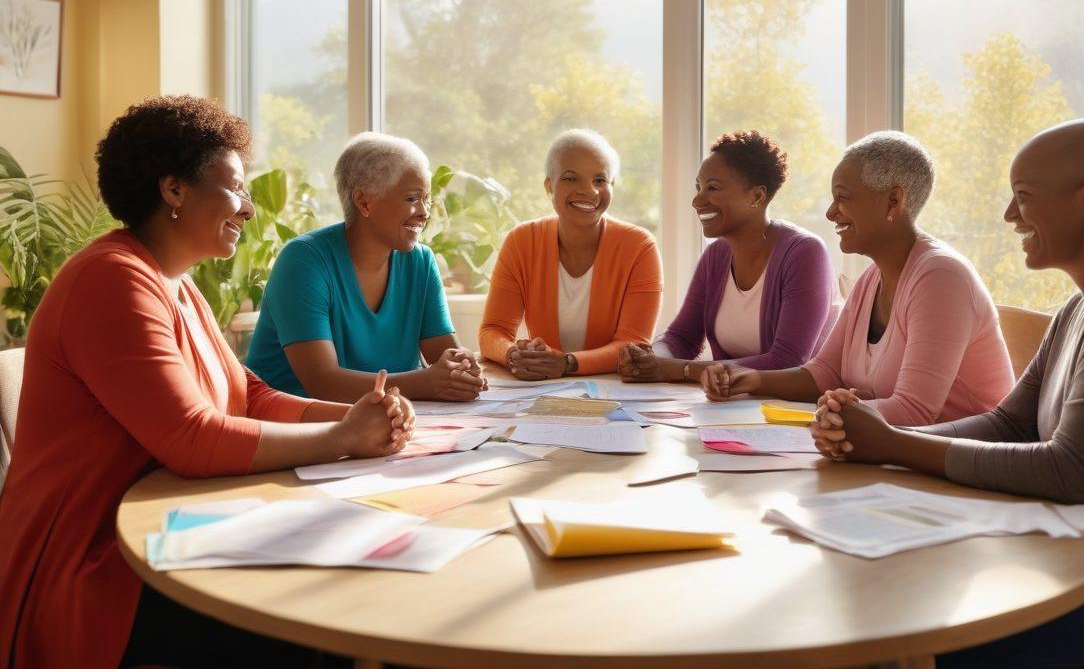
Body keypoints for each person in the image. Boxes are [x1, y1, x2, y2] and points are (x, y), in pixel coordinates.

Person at [0, 96, 411, 669]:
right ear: (174, 190)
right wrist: (345, 437)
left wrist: (357, 416)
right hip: (94, 562)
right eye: (235, 190)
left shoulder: (177, 285)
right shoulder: (111, 281)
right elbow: (191, 439)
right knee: (317, 620)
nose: (247, 209)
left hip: (170, 527)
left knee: (347, 587)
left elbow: (250, 395)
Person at [813, 120, 1084, 667]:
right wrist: (887, 438)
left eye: (1023, 198)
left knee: (910, 637)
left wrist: (894, 446)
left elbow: (1078, 472)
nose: (1008, 216)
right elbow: (1009, 424)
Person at [701, 131, 1013, 426]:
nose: (830, 213)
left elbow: (915, 411)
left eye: (842, 197)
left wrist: (837, 411)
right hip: (897, 460)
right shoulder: (872, 278)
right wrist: (747, 378)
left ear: (894, 201)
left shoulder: (941, 277)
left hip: (957, 467)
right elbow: (824, 373)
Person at [246, 133, 485, 402]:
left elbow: (443, 354)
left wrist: (462, 369)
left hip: (379, 421)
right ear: (363, 202)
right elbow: (323, 384)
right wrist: (426, 382)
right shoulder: (303, 261)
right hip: (292, 426)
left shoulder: (420, 261)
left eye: (426, 199)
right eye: (411, 199)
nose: (424, 212)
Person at [618, 131, 839, 385]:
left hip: (792, 411)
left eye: (712, 188)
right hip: (731, 407)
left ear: (757, 196)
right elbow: (682, 338)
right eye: (698, 188)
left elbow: (788, 360)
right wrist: (650, 358)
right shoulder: (716, 256)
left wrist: (679, 370)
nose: (697, 201)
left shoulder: (804, 253)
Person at [479, 129, 662, 378]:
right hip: (540, 388)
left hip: (612, 388)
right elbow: (493, 330)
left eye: (600, 180)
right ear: (548, 185)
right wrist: (514, 355)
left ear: (613, 185)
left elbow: (633, 345)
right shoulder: (521, 241)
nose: (589, 191)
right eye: (570, 178)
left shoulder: (640, 246)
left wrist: (567, 363)